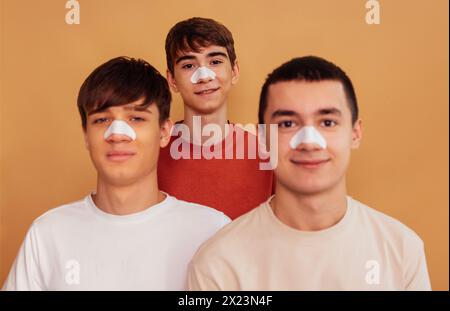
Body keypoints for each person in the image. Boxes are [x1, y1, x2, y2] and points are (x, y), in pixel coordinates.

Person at [187, 56, 431, 290]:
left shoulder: (401, 249)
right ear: (262, 137)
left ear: (355, 133)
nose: (309, 142)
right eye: (287, 124)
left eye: (327, 122)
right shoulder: (218, 263)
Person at [3, 56, 230, 291]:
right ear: (86, 135)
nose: (117, 134)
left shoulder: (211, 231)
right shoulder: (48, 234)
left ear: (164, 131)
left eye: (137, 118)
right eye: (102, 119)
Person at [158, 17, 273, 219]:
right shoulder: (150, 154)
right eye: (188, 65)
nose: (203, 76)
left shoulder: (267, 154)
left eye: (215, 62)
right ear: (172, 80)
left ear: (234, 71)